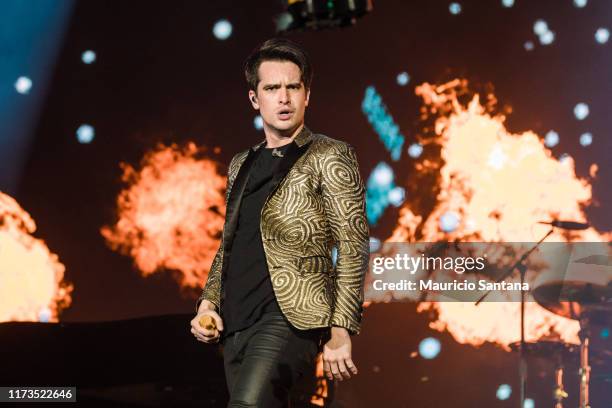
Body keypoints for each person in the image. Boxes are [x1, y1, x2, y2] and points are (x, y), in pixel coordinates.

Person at [189, 37, 369, 407]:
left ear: (307, 94)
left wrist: (340, 329)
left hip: (290, 319)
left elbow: (353, 245)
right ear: (255, 98)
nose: (283, 98)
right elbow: (230, 243)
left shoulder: (329, 154)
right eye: (272, 88)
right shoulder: (242, 162)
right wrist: (208, 304)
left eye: (293, 87)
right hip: (236, 323)